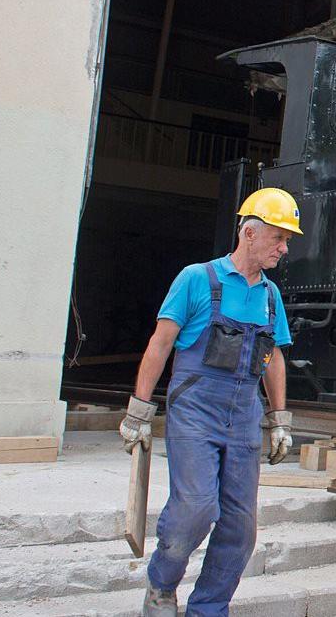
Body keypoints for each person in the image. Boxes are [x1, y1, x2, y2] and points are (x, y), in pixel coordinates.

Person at [119, 188, 302, 617]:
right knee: (197, 508)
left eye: (288, 240)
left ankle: (208, 609)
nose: (284, 248)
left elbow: (273, 358)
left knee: (240, 530)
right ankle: (161, 587)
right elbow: (161, 344)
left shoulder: (271, 297)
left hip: (243, 418)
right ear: (249, 233)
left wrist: (279, 419)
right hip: (195, 411)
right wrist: (138, 411)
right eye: (278, 237)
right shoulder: (196, 279)